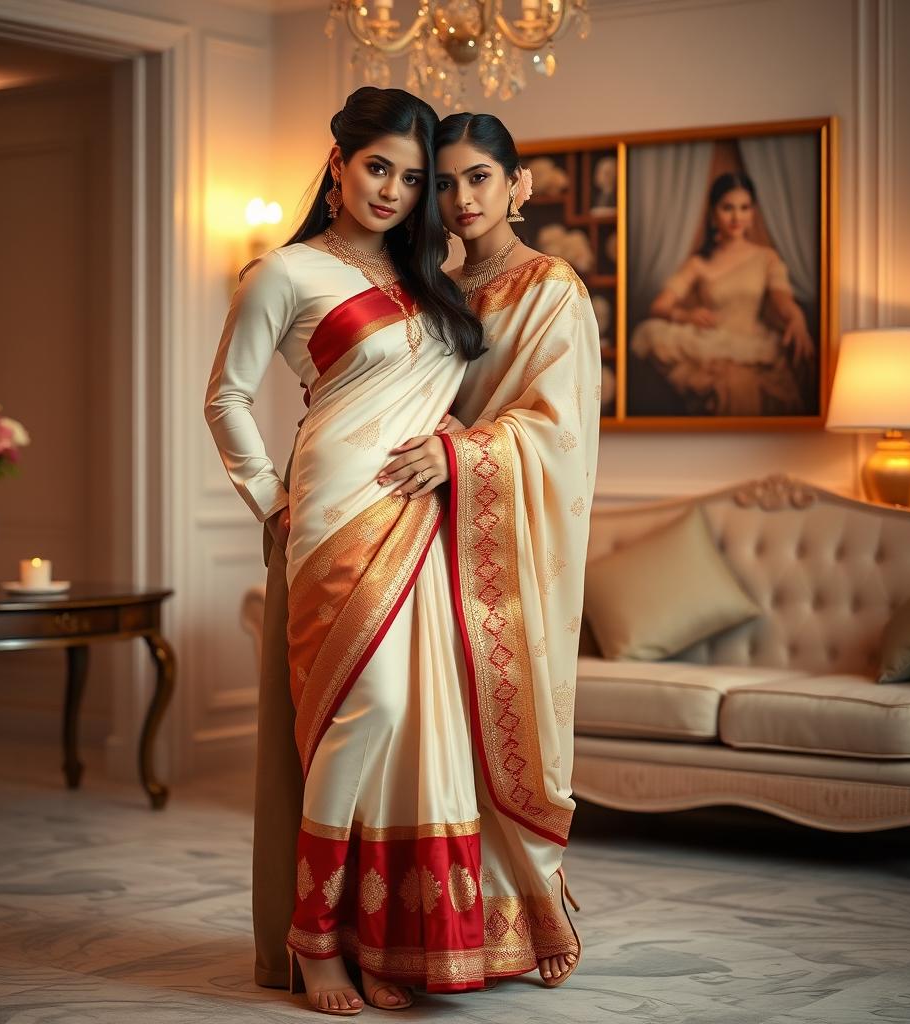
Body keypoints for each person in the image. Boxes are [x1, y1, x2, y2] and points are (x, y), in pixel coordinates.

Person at [204, 86, 483, 1016]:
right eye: (379, 168)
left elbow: (450, 394)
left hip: (424, 521)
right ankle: (311, 939)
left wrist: (456, 451)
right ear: (337, 164)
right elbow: (226, 398)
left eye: (412, 179)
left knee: (402, 727)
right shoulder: (284, 274)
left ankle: (373, 938)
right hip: (330, 511)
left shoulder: (432, 276)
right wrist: (272, 501)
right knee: (368, 709)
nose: (395, 192)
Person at [381, 111, 601, 993]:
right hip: (410, 526)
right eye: (442, 182)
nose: (459, 197)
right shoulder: (424, 284)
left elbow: (556, 432)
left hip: (496, 531)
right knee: (419, 728)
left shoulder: (555, 289)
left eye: (478, 178)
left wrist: (460, 454)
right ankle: (419, 923)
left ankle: (532, 898)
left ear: (520, 185)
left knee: (490, 713)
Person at [630, 171, 814, 416]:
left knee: (739, 387)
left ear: (753, 213)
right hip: (708, 346)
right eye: (728, 208)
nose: (737, 216)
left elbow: (783, 301)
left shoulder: (766, 258)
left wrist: (796, 317)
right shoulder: (700, 263)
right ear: (713, 214)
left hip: (751, 347)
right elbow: (659, 306)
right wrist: (687, 315)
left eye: (744, 208)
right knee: (651, 334)